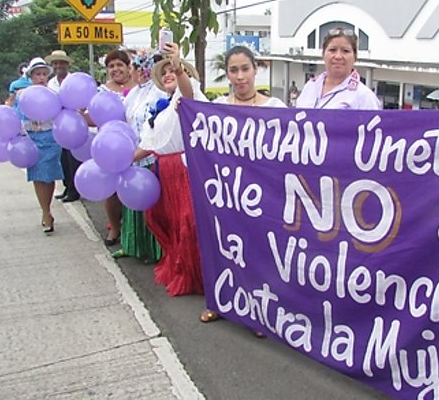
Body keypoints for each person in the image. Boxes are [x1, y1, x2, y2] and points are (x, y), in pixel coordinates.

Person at [203, 45, 286, 331]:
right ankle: (219, 302)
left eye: (245, 69)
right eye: (234, 70)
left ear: (256, 70)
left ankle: (261, 312)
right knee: (223, 249)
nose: (240, 77)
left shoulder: (276, 109)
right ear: (227, 74)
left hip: (265, 199)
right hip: (227, 198)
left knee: (260, 254)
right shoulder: (217, 110)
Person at [134, 42, 208, 297]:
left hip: (187, 168)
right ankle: (181, 268)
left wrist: (178, 66)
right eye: (164, 72)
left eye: (172, 71)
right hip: (164, 170)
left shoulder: (188, 94)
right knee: (171, 222)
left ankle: (197, 275)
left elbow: (187, 93)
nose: (168, 74)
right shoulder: (159, 108)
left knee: (189, 223)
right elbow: (148, 145)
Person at [112, 51, 167, 261]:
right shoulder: (134, 94)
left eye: (134, 67)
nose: (131, 72)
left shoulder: (159, 93)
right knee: (133, 205)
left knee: (152, 205)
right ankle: (133, 246)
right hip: (132, 157)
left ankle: (154, 251)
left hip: (151, 157)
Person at [11, 57, 64, 233]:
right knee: (38, 176)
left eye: (44, 74)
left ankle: (47, 208)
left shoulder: (54, 94)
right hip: (31, 139)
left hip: (50, 139)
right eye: (37, 74)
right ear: (31, 76)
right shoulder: (22, 95)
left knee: (49, 175)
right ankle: (46, 212)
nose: (41, 77)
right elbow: (16, 116)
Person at [95, 50, 136, 246]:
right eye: (111, 66)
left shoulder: (139, 87)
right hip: (110, 146)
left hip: (136, 144)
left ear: (129, 67)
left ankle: (137, 232)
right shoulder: (102, 91)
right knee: (111, 190)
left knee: (136, 187)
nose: (115, 69)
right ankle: (115, 227)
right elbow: (93, 117)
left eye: (119, 65)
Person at [295, 27, 380, 110]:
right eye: (332, 50)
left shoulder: (364, 97)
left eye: (345, 51)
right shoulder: (310, 87)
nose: (338, 56)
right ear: (323, 54)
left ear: (355, 57)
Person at [45, 50, 82, 204]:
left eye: (61, 63)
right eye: (56, 63)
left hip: (73, 124)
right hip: (58, 125)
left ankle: (74, 190)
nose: (58, 66)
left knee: (73, 159)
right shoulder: (51, 83)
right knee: (63, 160)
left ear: (67, 64)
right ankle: (67, 187)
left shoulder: (74, 80)